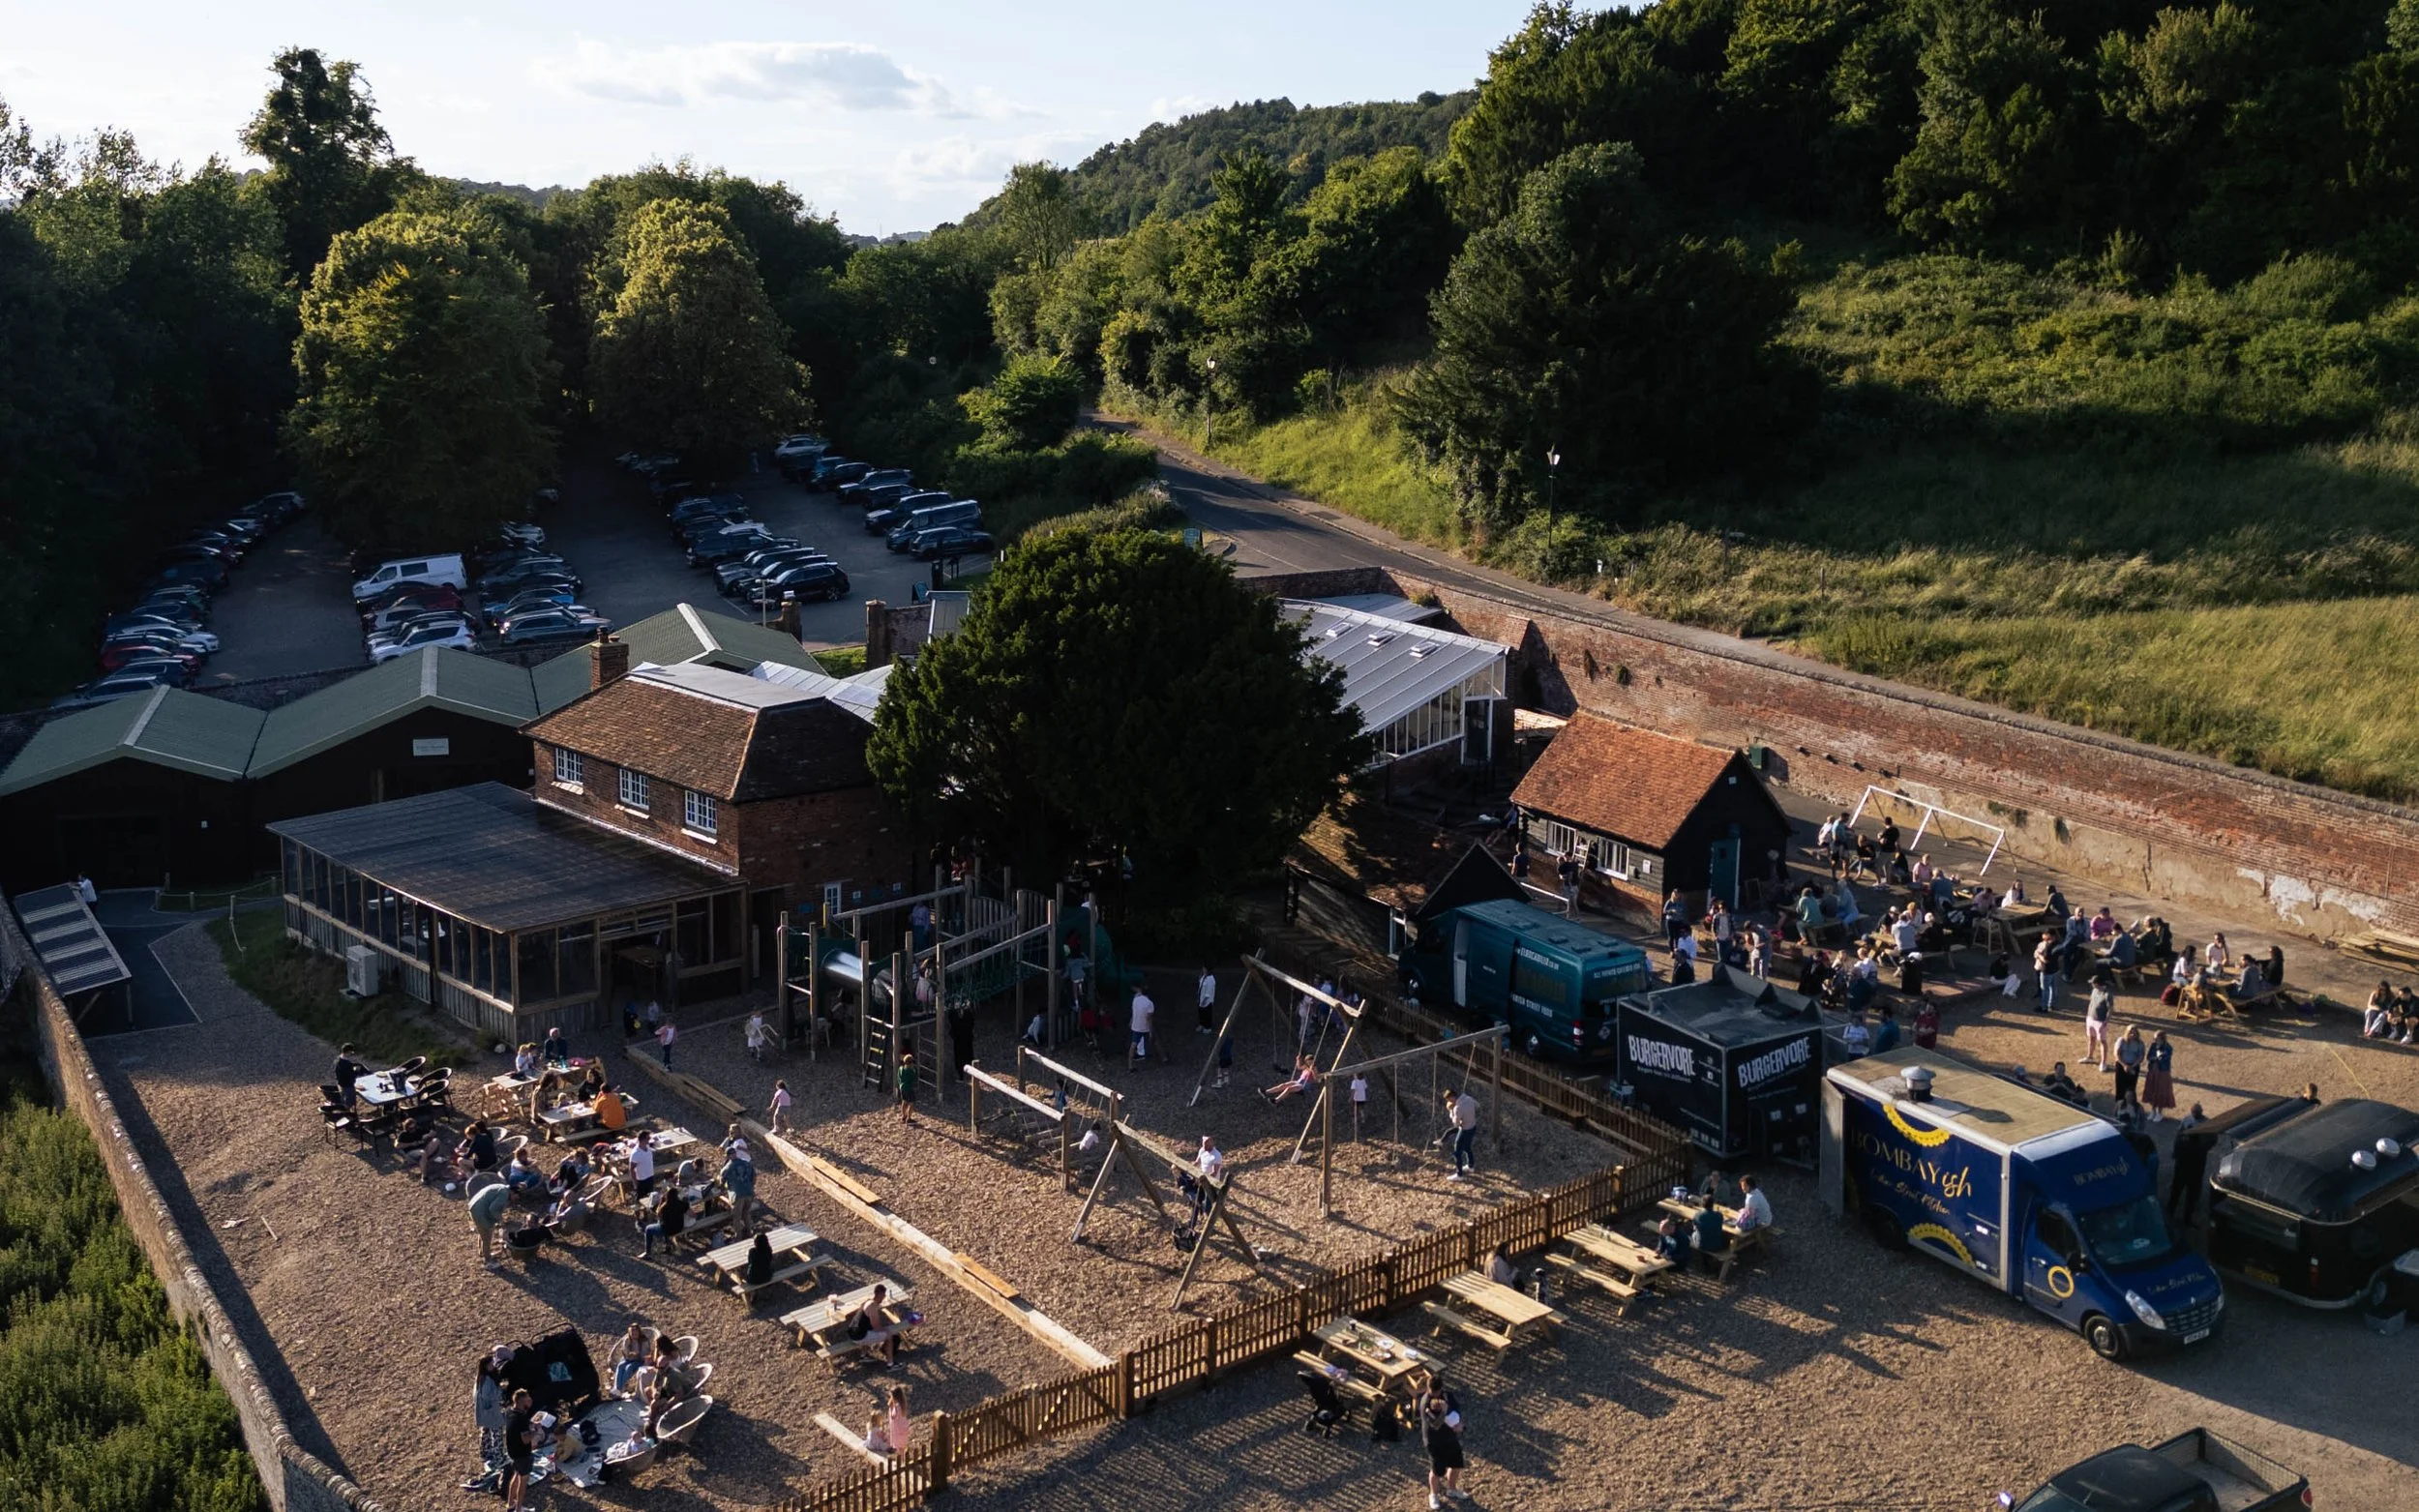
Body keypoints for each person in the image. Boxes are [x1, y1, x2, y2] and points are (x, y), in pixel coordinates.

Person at [1414, 1370, 1467, 1508]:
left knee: (1456, 1464)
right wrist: (1443, 1411)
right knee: (1437, 1471)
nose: (1435, 1395)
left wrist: (1459, 1423)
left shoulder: (1447, 1396)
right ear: (1428, 1388)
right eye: (1432, 1392)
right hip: (1434, 1441)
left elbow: (1457, 1409)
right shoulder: (1425, 1403)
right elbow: (1435, 1425)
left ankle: (1452, 1489)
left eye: (1437, 1392)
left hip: (1450, 1437)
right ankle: (1433, 1495)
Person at [502, 1387, 537, 1512]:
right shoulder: (521, 1418)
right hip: (522, 1454)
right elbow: (525, 1440)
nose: (530, 1400)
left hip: (512, 1451)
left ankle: (510, 1504)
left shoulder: (508, 1411)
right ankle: (518, 1509)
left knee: (516, 1475)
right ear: (522, 1401)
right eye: (527, 1399)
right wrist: (535, 1430)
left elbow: (516, 1429)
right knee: (523, 1481)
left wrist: (530, 1425)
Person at [851, 1285, 902, 1366]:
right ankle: (890, 1364)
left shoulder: (867, 1302)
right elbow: (876, 1327)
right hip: (859, 1337)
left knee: (868, 1329)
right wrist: (886, 1330)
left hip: (853, 1332)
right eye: (884, 1295)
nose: (884, 1297)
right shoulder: (872, 1307)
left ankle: (863, 1356)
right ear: (881, 1295)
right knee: (889, 1335)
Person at [468, 1178, 511, 1265]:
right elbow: (493, 1209)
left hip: (474, 1205)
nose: (516, 1198)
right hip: (479, 1211)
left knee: (483, 1232)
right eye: (517, 1196)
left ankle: (482, 1252)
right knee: (487, 1236)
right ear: (514, 1193)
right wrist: (500, 1220)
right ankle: (488, 1261)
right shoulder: (504, 1194)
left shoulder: (502, 1188)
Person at [1446, 1087, 1480, 1181]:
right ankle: (1470, 1166)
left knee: (1457, 1151)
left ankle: (1459, 1174)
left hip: (1465, 1130)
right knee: (1467, 1147)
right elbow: (1477, 1105)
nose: (1449, 1102)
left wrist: (1451, 1112)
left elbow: (1455, 1124)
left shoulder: (1457, 1108)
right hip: (1473, 1127)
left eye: (1449, 1100)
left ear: (1452, 1098)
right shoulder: (1469, 1098)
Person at [2142, 1031, 2176, 1121]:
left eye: (2156, 1038)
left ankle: (2159, 1113)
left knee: (2160, 1092)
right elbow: (2149, 1057)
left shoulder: (2168, 1048)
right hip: (2153, 1071)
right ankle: (2153, 1111)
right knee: (2152, 1090)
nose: (2155, 1040)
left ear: (2162, 1038)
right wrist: (2155, 1058)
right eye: (2154, 1038)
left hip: (2162, 1072)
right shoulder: (2153, 1045)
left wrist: (2156, 1057)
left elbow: (2164, 1058)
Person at [2112, 1024, 2146, 1113]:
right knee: (2120, 1087)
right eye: (2130, 1031)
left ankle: (2130, 1107)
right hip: (2121, 1065)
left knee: (2131, 1088)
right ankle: (2118, 1107)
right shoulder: (2121, 1041)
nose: (2132, 1033)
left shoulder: (2140, 1043)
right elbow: (2117, 1054)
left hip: (2133, 1066)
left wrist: (2132, 1066)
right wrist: (2124, 1065)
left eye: (2134, 1032)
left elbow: (2141, 1057)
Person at [721, 1148, 757, 1230]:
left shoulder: (727, 1168)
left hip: (737, 1195)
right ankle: (749, 1233)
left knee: (737, 1217)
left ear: (727, 1156)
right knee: (746, 1214)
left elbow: (721, 1182)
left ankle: (738, 1238)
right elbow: (754, 1178)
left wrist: (725, 1187)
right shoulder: (747, 1164)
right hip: (749, 1193)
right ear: (735, 1154)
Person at [2083, 979, 2114, 1069]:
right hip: (2090, 1018)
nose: (2091, 985)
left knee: (2102, 1041)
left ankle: (2103, 1063)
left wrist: (2106, 1021)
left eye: (2092, 983)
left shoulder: (2107, 995)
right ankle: (2090, 1056)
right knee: (2091, 1038)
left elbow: (2110, 1009)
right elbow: (2091, 1003)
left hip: (2100, 1021)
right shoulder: (2094, 991)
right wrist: (2088, 1015)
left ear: (2097, 983)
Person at [1128, 987, 1155, 1068]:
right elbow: (1149, 1018)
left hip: (1136, 1026)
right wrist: (1150, 1031)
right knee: (1151, 1041)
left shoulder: (1136, 1000)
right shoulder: (1149, 1003)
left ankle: (1130, 1065)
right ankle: (1152, 1057)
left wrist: (1131, 1021)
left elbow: (1134, 1011)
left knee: (1133, 1045)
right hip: (1145, 1027)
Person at [2032, 934, 2058, 1014]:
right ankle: (2052, 1004)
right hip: (2055, 969)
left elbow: (2043, 959)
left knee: (2045, 989)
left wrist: (2039, 956)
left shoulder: (2045, 946)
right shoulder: (2058, 945)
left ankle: (2044, 1007)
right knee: (2053, 987)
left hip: (2046, 970)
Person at [885, 1385, 912, 1456]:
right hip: (903, 1427)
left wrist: (891, 1408)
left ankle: (902, 1460)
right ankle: (904, 1457)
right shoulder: (902, 1405)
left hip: (898, 1429)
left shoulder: (897, 1407)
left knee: (899, 1446)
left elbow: (893, 1416)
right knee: (902, 1445)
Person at [896, 1048, 917, 1123]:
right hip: (909, 1088)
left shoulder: (900, 1068)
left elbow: (898, 1078)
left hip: (902, 1087)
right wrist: (914, 1071)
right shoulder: (911, 1071)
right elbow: (913, 1079)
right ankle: (909, 1118)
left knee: (904, 1101)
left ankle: (903, 1116)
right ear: (911, 1063)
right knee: (911, 1103)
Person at [1197, 966, 1216, 1034]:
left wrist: (1203, 1002)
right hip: (1201, 999)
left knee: (1207, 1014)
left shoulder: (1211, 979)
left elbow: (1208, 994)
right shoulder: (1203, 977)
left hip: (1207, 1002)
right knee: (1201, 1013)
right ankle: (1202, 1025)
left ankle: (1208, 1028)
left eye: (1204, 969)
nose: (1203, 970)